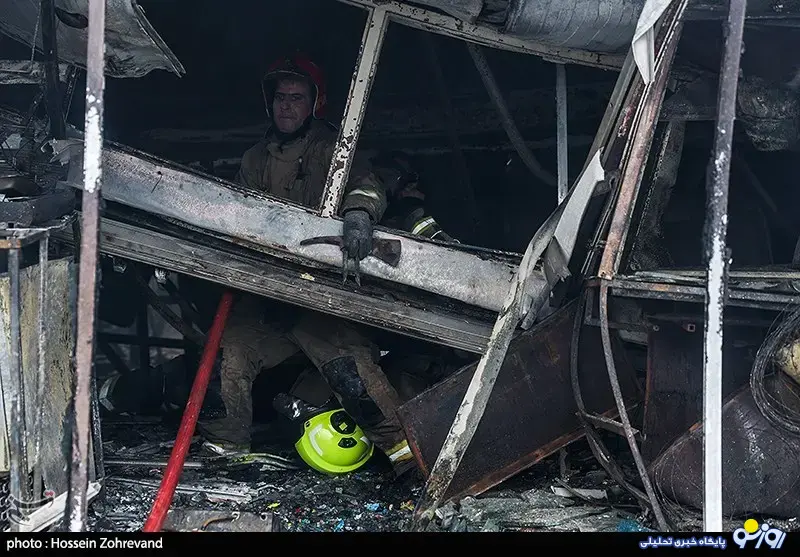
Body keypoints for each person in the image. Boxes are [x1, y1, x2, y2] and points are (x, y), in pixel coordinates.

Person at [197, 53, 414, 475]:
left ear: (315, 103)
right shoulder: (254, 158)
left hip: (323, 295)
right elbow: (239, 213)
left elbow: (366, 185)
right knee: (228, 350)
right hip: (268, 291)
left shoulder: (334, 148)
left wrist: (358, 214)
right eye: (280, 97)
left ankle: (407, 456)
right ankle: (226, 448)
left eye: (296, 97)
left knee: (349, 370)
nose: (286, 105)